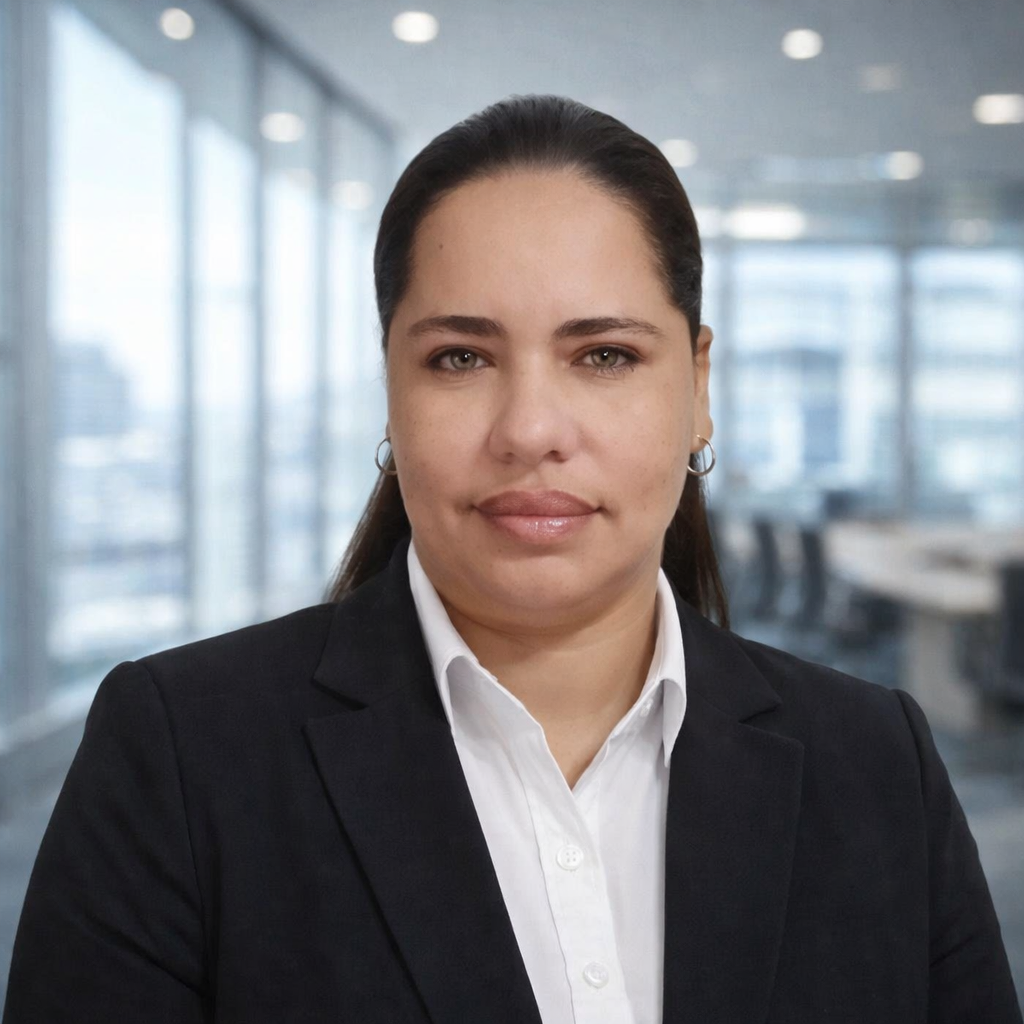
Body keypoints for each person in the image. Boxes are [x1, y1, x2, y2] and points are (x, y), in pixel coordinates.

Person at [3, 93, 1020, 1024]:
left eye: (605, 355)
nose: (530, 429)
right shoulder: (183, 755)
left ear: (698, 388)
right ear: (391, 391)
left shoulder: (876, 761)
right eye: (461, 357)